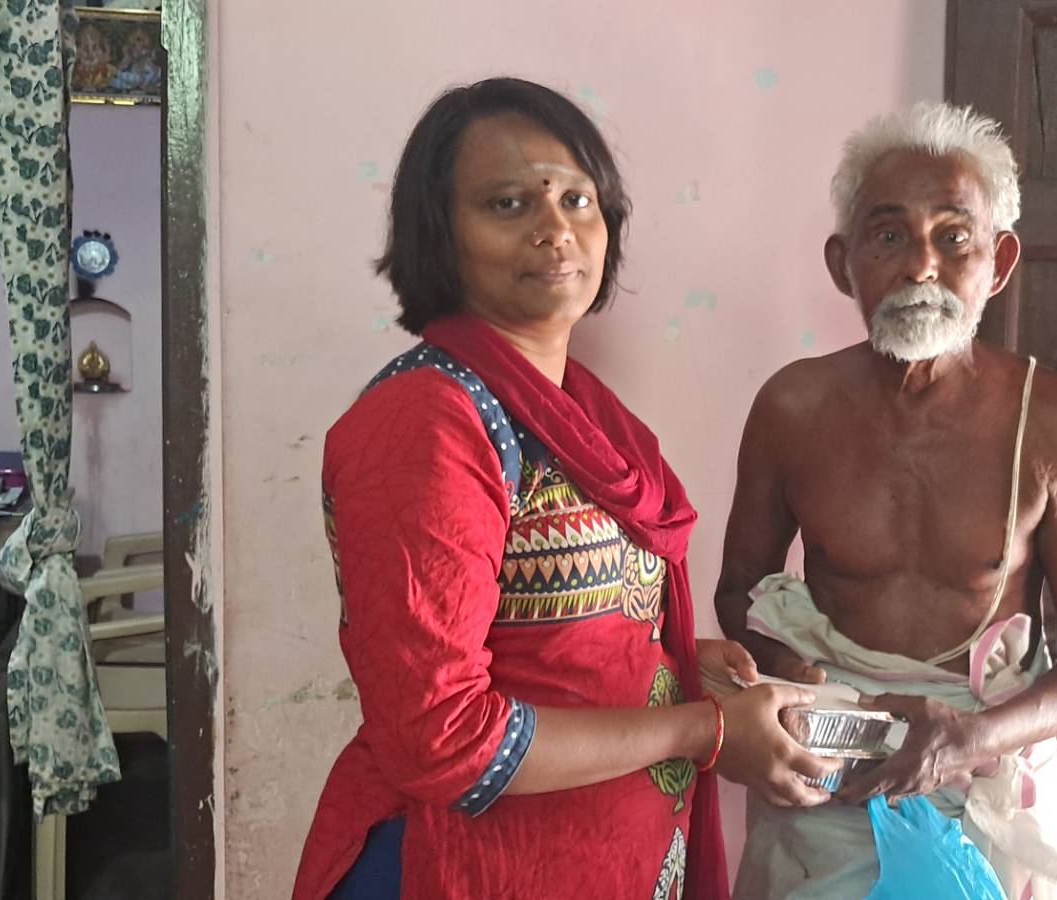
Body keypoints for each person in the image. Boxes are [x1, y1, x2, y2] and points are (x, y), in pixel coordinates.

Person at [291, 78, 836, 900]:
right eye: (509, 204)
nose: (556, 228)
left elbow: (558, 641)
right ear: (441, 235)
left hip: (597, 856)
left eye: (578, 199)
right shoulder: (429, 422)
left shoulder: (579, 414)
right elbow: (444, 741)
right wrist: (703, 729)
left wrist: (682, 664)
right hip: (459, 866)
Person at [715, 101, 1057, 899]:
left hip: (986, 764)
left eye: (954, 237)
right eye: (888, 237)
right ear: (843, 264)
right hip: (830, 765)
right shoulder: (791, 408)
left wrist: (968, 738)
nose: (920, 268)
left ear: (999, 260)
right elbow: (739, 591)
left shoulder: (1056, 420)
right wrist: (805, 684)